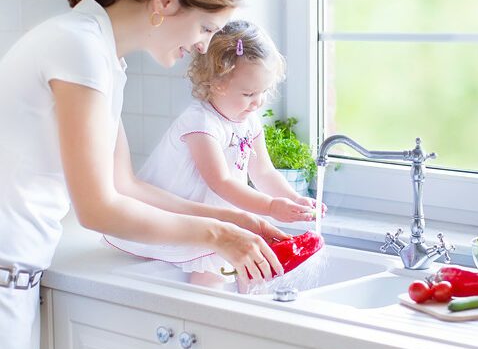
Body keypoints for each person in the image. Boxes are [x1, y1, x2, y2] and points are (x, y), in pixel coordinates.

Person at [0, 0, 295, 349]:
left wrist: (235, 218)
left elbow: (125, 185)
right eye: (204, 28)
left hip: (14, 276)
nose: (202, 47)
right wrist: (217, 237)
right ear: (166, 0)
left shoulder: (101, 55)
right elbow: (97, 210)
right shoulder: (78, 49)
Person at [105, 20, 322, 280]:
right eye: (249, 93)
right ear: (216, 82)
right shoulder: (200, 123)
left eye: (264, 91)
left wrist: (292, 199)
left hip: (219, 219)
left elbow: (263, 171)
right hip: (182, 219)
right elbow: (221, 182)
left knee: (244, 272)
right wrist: (271, 206)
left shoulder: (248, 119)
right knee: (211, 276)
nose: (258, 102)